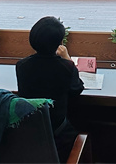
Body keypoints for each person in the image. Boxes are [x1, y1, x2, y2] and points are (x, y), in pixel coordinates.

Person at [16, 16, 84, 163]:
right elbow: (77, 88)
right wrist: (67, 58)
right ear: (60, 43)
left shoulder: (22, 66)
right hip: (59, 136)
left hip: (30, 134)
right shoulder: (66, 67)